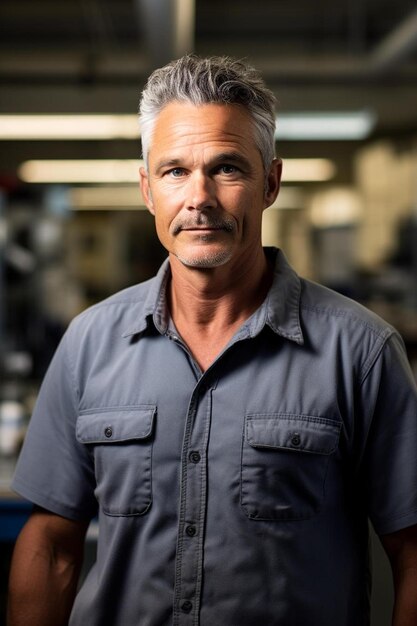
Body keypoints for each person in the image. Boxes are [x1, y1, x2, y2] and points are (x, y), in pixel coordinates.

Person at [7, 55, 417, 626]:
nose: (199, 197)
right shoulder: (89, 343)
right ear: (148, 189)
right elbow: (51, 545)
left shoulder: (362, 353)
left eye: (227, 168)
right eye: (175, 171)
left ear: (270, 183)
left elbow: (412, 552)